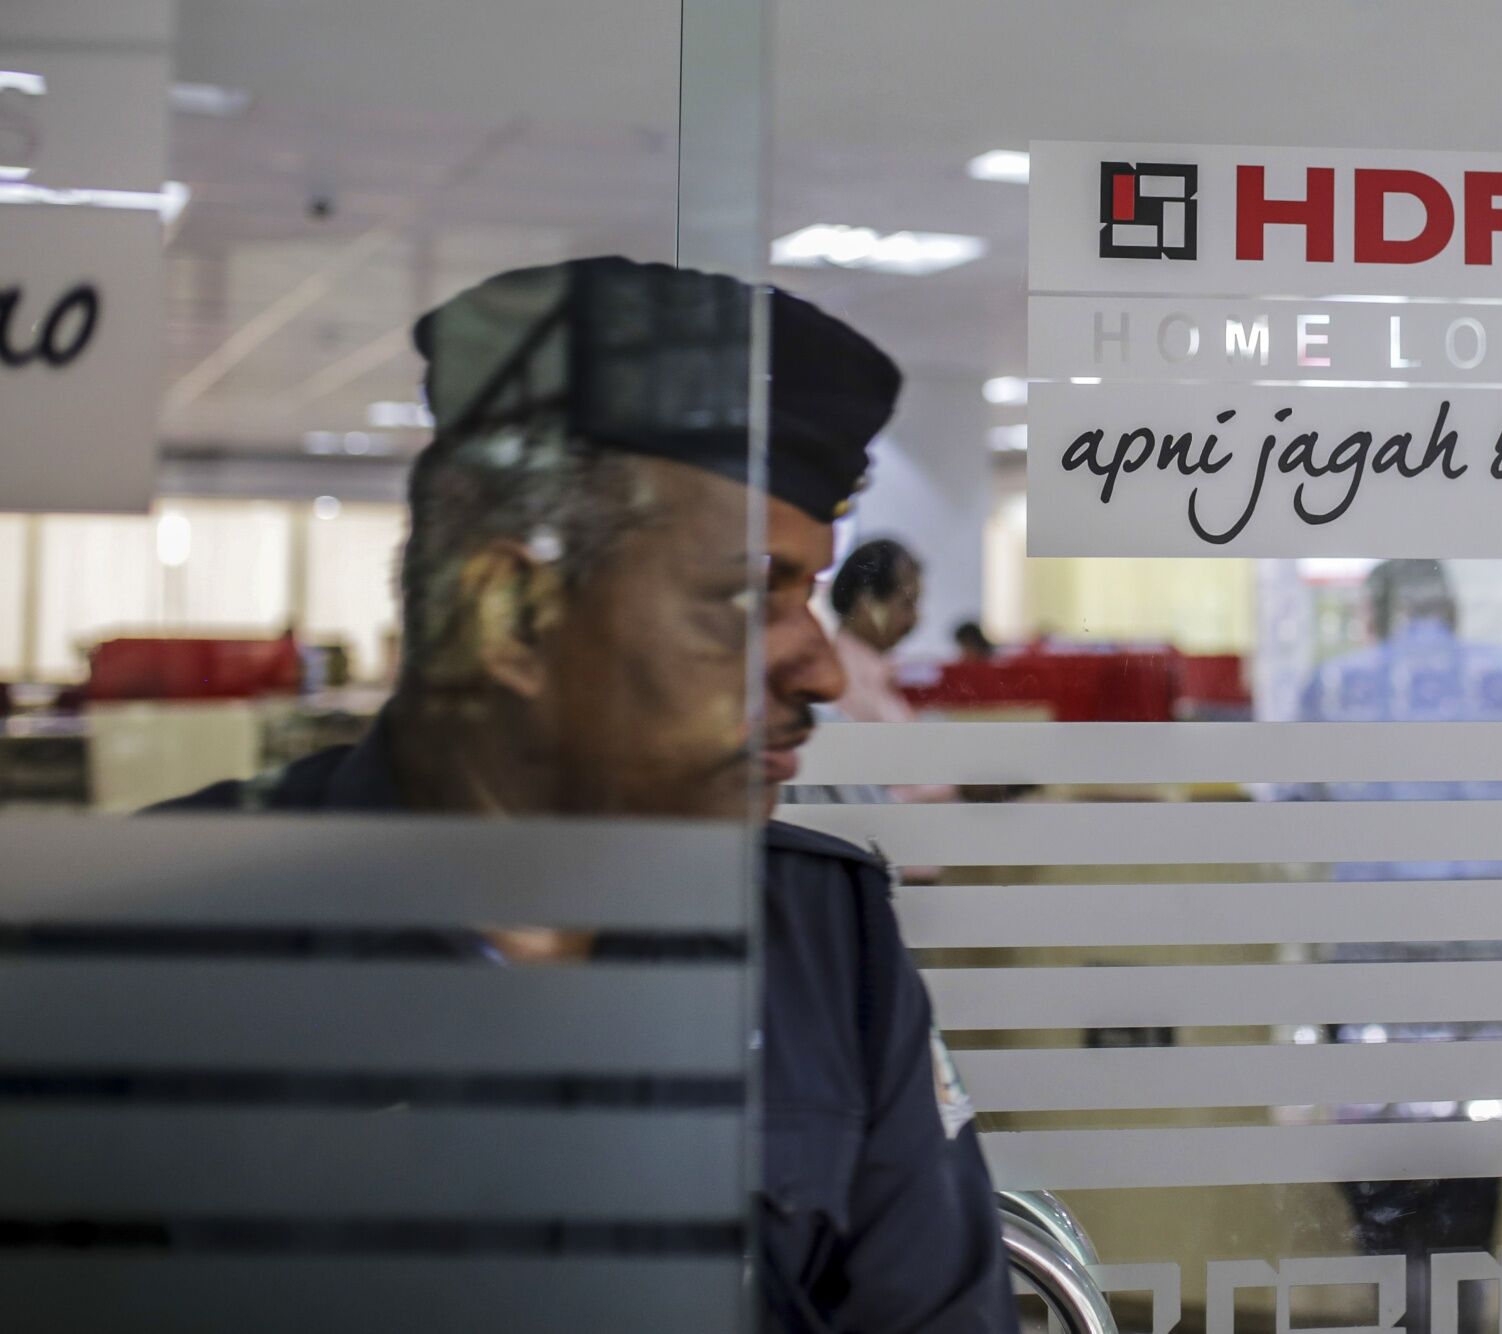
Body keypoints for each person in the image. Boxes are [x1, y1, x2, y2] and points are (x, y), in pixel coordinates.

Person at [154, 257, 1018, 1333]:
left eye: (808, 593)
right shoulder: (158, 954)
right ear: (514, 612)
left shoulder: (821, 940)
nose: (819, 668)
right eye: (745, 596)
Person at [1285, 559, 1502, 1334]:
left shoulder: (1336, 686)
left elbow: (1296, 804)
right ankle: (1463, 1311)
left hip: (1374, 964)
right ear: (1451, 611)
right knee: (1476, 1165)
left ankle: (1399, 1312)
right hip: (1490, 962)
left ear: (1376, 613)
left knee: (1381, 1175)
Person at [830, 537, 926, 725]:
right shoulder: (843, 680)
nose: (914, 620)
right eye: (906, 604)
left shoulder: (877, 673)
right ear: (866, 603)